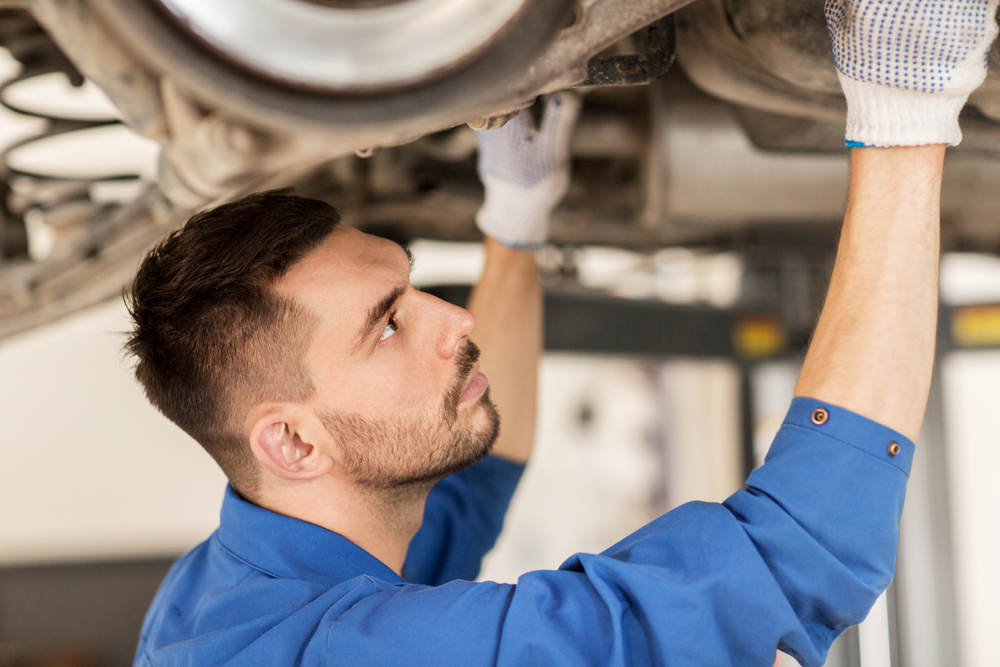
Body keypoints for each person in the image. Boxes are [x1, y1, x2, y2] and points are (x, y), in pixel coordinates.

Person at [127, 1, 997, 664]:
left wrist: (515, 217)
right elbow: (798, 561)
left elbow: (474, 484)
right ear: (289, 439)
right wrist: (902, 105)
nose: (454, 317)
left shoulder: (243, 583)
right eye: (386, 326)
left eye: (410, 287)